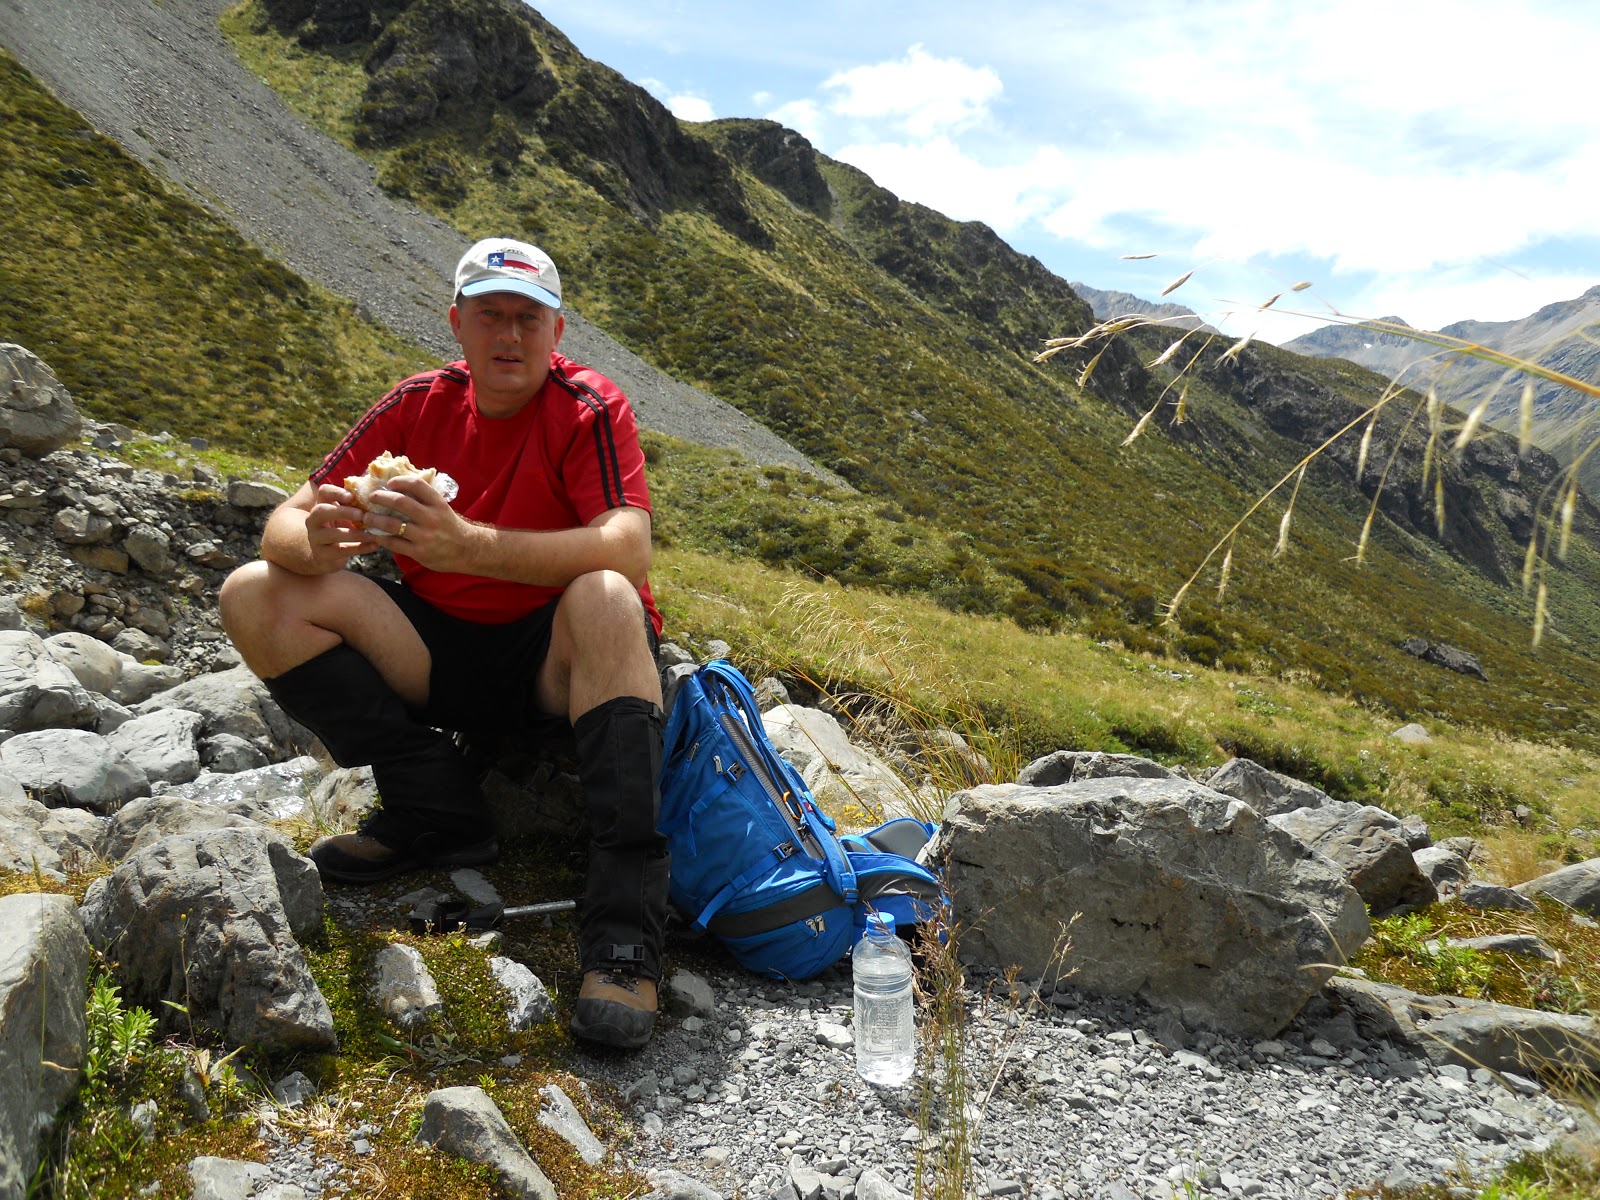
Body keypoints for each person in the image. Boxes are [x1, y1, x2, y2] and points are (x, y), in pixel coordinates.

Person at [219, 237, 669, 1049]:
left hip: (552, 662)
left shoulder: (588, 407)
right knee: (255, 592)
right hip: (437, 650)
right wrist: (313, 541)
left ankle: (625, 934)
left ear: (557, 331)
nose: (510, 335)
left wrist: (472, 547)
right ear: (456, 323)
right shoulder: (417, 403)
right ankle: (436, 812)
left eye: (528, 318)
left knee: (607, 596)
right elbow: (283, 522)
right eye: (490, 315)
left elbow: (628, 545)